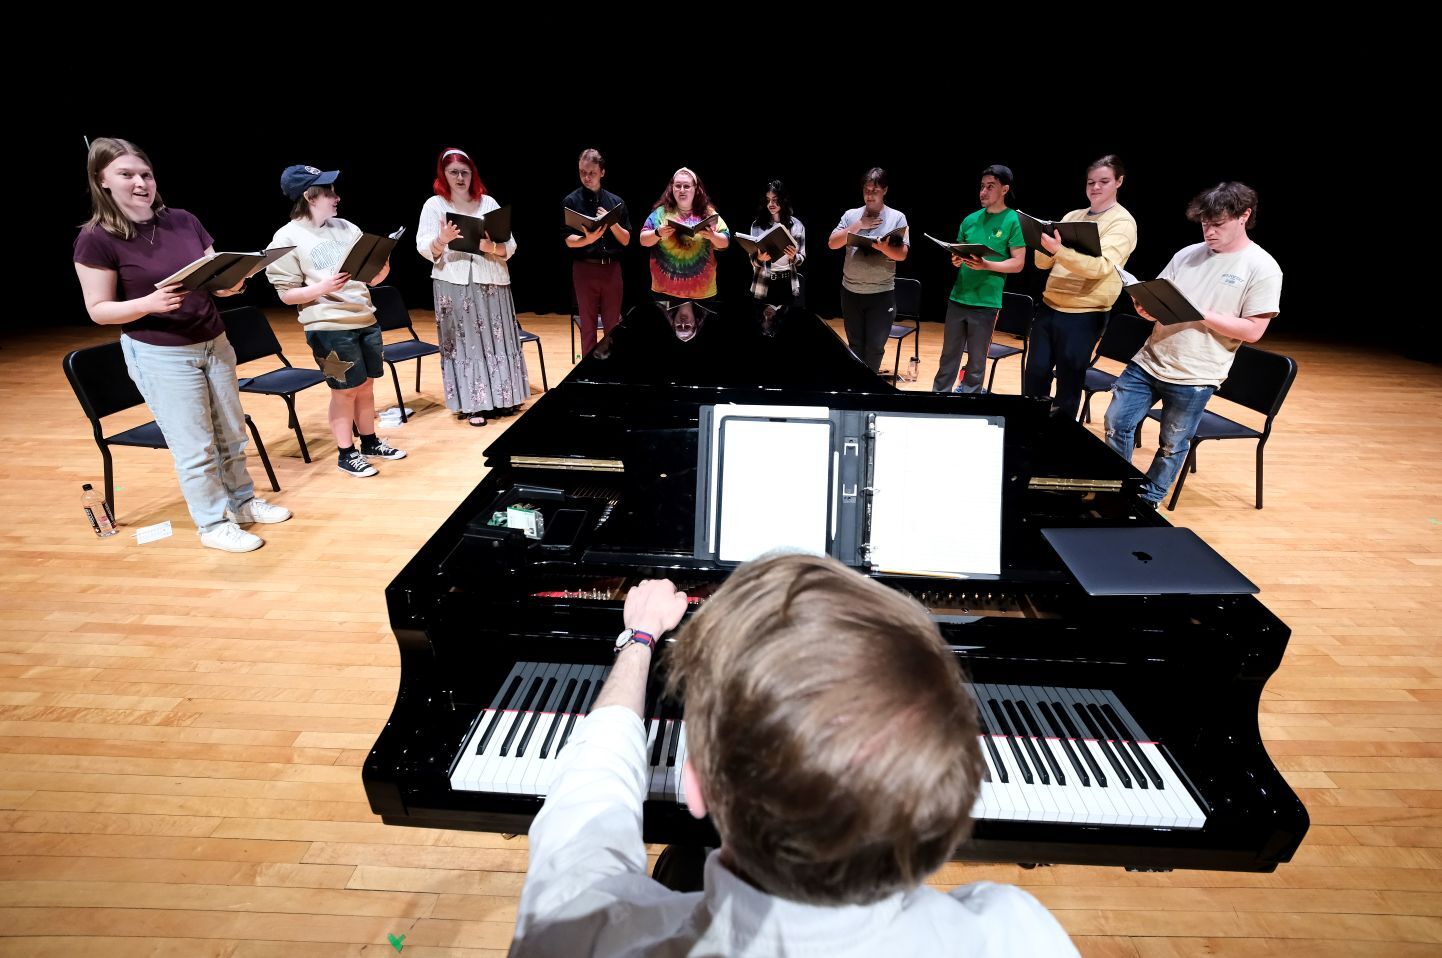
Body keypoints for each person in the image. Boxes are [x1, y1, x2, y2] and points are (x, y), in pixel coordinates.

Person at [509, 552, 1079, 956]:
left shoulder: (573, 936)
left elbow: (587, 808)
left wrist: (639, 639)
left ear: (694, 785)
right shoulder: (1020, 936)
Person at [73, 137, 291, 553]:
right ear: (102, 181)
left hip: (214, 341)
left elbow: (214, 274)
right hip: (161, 354)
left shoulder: (182, 220)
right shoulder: (96, 238)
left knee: (232, 432)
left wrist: (231, 283)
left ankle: (242, 502)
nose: (140, 183)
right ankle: (212, 524)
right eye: (126, 174)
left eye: (146, 174)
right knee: (196, 446)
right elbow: (99, 310)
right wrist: (147, 304)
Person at [1104, 182, 1282, 507]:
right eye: (1204, 224)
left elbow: (1254, 330)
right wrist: (1147, 307)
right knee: (1117, 423)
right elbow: (1161, 296)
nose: (1209, 232)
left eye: (1218, 224)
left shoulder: (1262, 267)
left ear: (1244, 216)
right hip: (1150, 359)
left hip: (1196, 373)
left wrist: (1202, 314)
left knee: (1172, 443)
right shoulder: (1187, 254)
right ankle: (1118, 488)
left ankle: (1149, 498)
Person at [266, 164, 406, 475]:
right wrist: (322, 288)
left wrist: (382, 267)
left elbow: (369, 278)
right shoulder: (286, 237)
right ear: (309, 197)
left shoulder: (346, 227)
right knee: (344, 390)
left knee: (366, 386)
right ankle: (346, 453)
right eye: (328, 192)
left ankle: (369, 441)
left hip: (364, 319)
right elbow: (286, 295)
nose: (336, 197)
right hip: (328, 328)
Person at [416, 148, 530, 427]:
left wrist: (490, 247)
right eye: (453, 172)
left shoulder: (487, 202)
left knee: (497, 340)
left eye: (464, 172)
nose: (460, 178)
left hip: (491, 280)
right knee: (465, 344)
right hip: (453, 283)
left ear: (472, 174)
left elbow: (510, 245)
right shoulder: (435, 205)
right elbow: (423, 246)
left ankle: (505, 397)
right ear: (443, 174)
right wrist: (442, 239)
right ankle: (473, 404)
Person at [1025, 155, 1138, 418]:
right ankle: (1030, 429)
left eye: (1103, 181)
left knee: (1068, 382)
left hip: (1084, 314)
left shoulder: (1122, 222)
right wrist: (1041, 242)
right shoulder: (1073, 215)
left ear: (1119, 182)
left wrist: (1059, 250)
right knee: (1035, 374)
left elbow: (1101, 267)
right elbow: (1042, 264)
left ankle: (1060, 436)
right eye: (1090, 182)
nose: (1095, 187)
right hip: (1050, 306)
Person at [932, 164, 1025, 394]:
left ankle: (970, 403)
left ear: (1004, 189)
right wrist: (956, 259)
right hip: (959, 297)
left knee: (976, 362)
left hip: (986, 302)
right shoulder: (970, 219)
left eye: (990, 186)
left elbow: (1018, 263)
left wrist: (987, 265)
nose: (983, 192)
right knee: (948, 357)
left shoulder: (1013, 220)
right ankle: (938, 399)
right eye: (982, 186)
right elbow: (959, 252)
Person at [828, 167, 910, 372]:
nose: (869, 195)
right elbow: (832, 243)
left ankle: (870, 385)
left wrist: (883, 248)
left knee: (875, 348)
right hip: (851, 291)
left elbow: (902, 254)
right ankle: (857, 384)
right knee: (854, 346)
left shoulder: (897, 217)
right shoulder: (851, 215)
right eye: (866, 190)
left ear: (885, 190)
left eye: (875, 190)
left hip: (881, 293)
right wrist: (859, 225)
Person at [562, 148, 631, 356]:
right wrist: (588, 239)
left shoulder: (616, 202)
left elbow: (626, 240)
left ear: (602, 172)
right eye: (582, 172)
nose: (586, 177)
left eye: (591, 173)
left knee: (612, 325)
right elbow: (568, 240)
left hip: (611, 270)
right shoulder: (571, 202)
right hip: (585, 269)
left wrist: (612, 222)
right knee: (588, 326)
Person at [639, 167, 730, 307]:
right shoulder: (661, 213)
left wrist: (713, 236)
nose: (682, 190)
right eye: (678, 186)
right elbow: (643, 240)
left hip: (702, 293)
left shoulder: (708, 214)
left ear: (696, 189)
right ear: (672, 188)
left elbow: (725, 242)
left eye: (686, 186)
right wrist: (658, 233)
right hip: (664, 292)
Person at [745, 178, 806, 308]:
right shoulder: (757, 225)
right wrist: (759, 259)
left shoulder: (796, 225)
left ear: (783, 200)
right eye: (767, 200)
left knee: (786, 318)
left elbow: (801, 258)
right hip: (764, 282)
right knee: (763, 319)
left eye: (775, 199)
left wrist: (793, 256)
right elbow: (752, 259)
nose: (771, 203)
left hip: (787, 281)